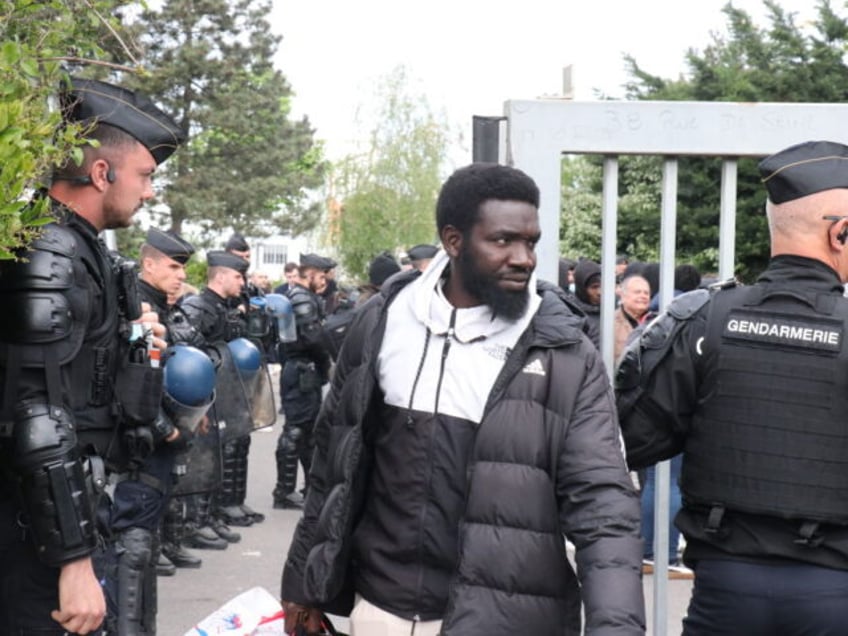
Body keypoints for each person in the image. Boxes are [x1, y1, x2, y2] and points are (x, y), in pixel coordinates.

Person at [281, 163, 644, 636]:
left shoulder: (566, 351)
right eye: (503, 241)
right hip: (379, 613)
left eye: (530, 242)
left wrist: (616, 627)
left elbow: (604, 506)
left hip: (507, 621)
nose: (524, 258)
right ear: (453, 242)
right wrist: (302, 585)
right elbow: (333, 464)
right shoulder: (382, 322)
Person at [616, 139, 848, 635]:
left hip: (723, 591)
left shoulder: (704, 320)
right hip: (836, 590)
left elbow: (634, 439)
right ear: (841, 234)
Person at [0, 77, 183, 635]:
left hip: (71, 509)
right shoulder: (49, 253)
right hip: (36, 535)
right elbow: (36, 414)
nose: (150, 192)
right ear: (101, 173)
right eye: (145, 176)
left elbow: (87, 386)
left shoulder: (79, 249)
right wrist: (72, 561)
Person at [105, 227, 206, 632]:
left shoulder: (160, 308)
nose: (180, 275)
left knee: (144, 547)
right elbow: (133, 380)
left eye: (182, 268)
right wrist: (169, 431)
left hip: (155, 451)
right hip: (141, 451)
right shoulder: (139, 311)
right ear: (148, 264)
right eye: (172, 266)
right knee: (133, 546)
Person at [181, 251, 252, 542]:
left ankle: (211, 515)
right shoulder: (199, 307)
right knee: (203, 457)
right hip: (204, 396)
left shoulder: (224, 308)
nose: (243, 282)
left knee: (219, 456)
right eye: (238, 276)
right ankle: (196, 522)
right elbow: (190, 354)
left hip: (223, 394)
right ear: (220, 276)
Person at [273, 254, 333, 510]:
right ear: (310, 273)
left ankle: (308, 487)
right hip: (300, 371)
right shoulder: (301, 298)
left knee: (308, 432)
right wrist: (328, 363)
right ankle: (284, 491)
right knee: (295, 430)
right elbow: (313, 338)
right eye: (322, 276)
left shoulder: (304, 297)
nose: (325, 281)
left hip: (305, 371)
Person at [614, 274, 651, 361]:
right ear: (623, 296)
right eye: (637, 292)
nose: (643, 296)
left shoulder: (655, 321)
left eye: (646, 293)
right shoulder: (611, 323)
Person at [570, 258, 602, 349]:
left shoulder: (612, 310)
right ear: (582, 289)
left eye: (602, 286)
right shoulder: (572, 314)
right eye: (594, 287)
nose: (599, 292)